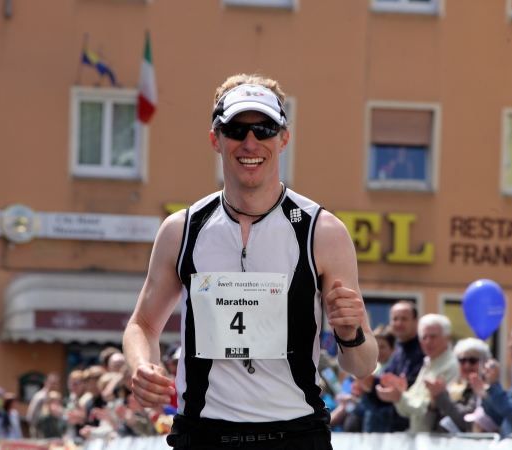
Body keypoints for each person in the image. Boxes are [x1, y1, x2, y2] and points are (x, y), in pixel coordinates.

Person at [124, 73, 378, 450]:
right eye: (235, 130)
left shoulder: (323, 231)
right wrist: (142, 365)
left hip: (295, 437)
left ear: (283, 139)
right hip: (203, 436)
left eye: (264, 129)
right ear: (216, 139)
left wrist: (350, 333)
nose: (250, 142)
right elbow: (143, 324)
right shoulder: (182, 229)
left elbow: (362, 365)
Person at [376, 313, 460, 432]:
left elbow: (432, 409)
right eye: (424, 337)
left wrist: (400, 396)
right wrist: (401, 393)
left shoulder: (453, 366)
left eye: (433, 336)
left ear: (447, 338)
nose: (428, 342)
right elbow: (408, 410)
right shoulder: (429, 362)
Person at [356, 300, 425, 432]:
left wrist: (370, 382)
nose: (399, 323)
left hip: (413, 428)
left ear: (416, 321)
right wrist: (367, 384)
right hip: (394, 428)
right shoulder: (399, 350)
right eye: (395, 319)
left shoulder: (423, 350)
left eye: (404, 319)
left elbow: (408, 387)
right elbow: (383, 381)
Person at [330, 325, 395, 432]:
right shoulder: (371, 367)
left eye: (382, 347)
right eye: (376, 345)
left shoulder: (392, 369)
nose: (379, 350)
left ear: (393, 349)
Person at [423, 338, 492, 433]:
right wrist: (433, 404)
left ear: (483, 363)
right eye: (462, 360)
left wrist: (442, 397)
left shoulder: (485, 388)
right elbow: (428, 424)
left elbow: (467, 420)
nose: (467, 365)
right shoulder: (453, 385)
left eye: (472, 361)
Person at [26, 372, 60, 438]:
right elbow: (31, 416)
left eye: (56, 383)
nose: (54, 385)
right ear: (46, 382)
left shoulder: (54, 396)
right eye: (53, 383)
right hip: (40, 432)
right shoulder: (40, 396)